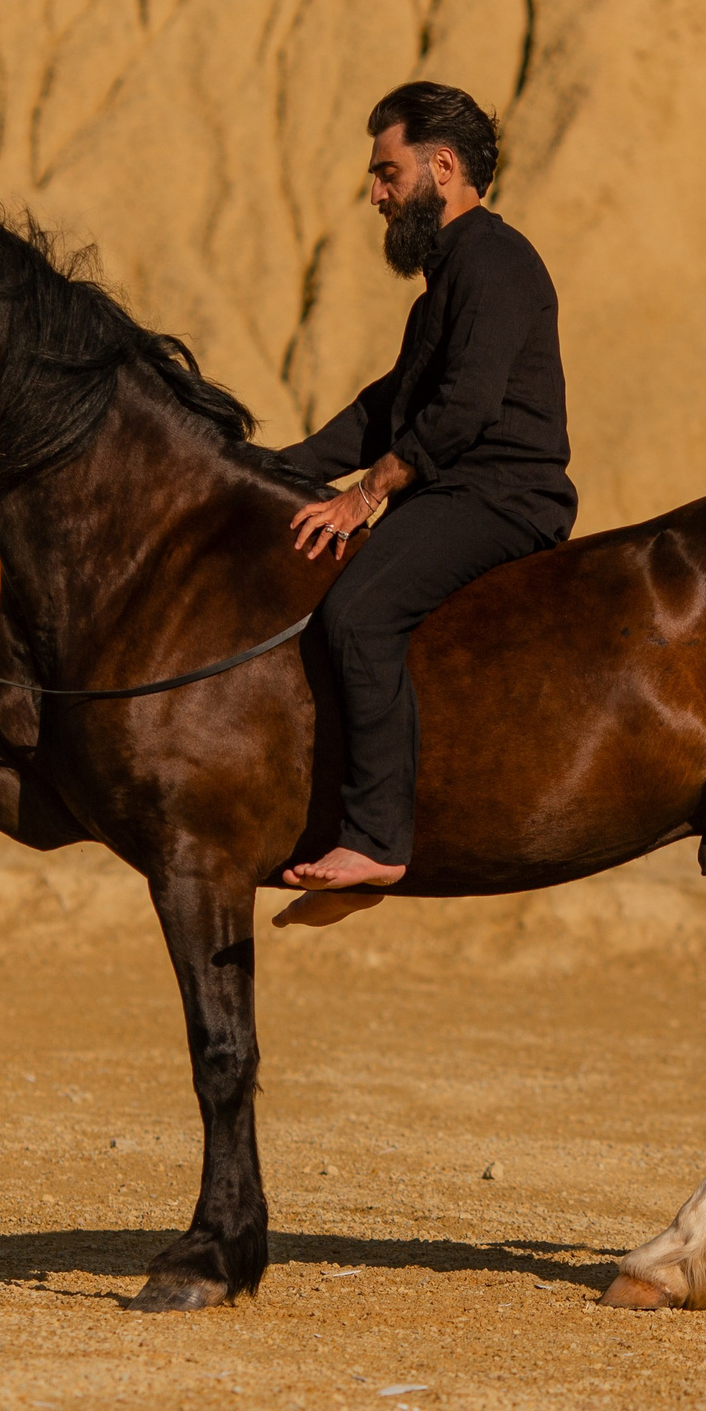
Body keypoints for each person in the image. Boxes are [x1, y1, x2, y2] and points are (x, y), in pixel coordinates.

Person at [279, 81, 576, 892]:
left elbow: (463, 408)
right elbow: (386, 408)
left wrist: (364, 494)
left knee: (358, 612)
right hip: (456, 489)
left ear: (442, 166)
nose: (376, 195)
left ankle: (377, 838)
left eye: (387, 172)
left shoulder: (495, 261)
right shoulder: (447, 280)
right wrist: (274, 468)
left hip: (501, 497)